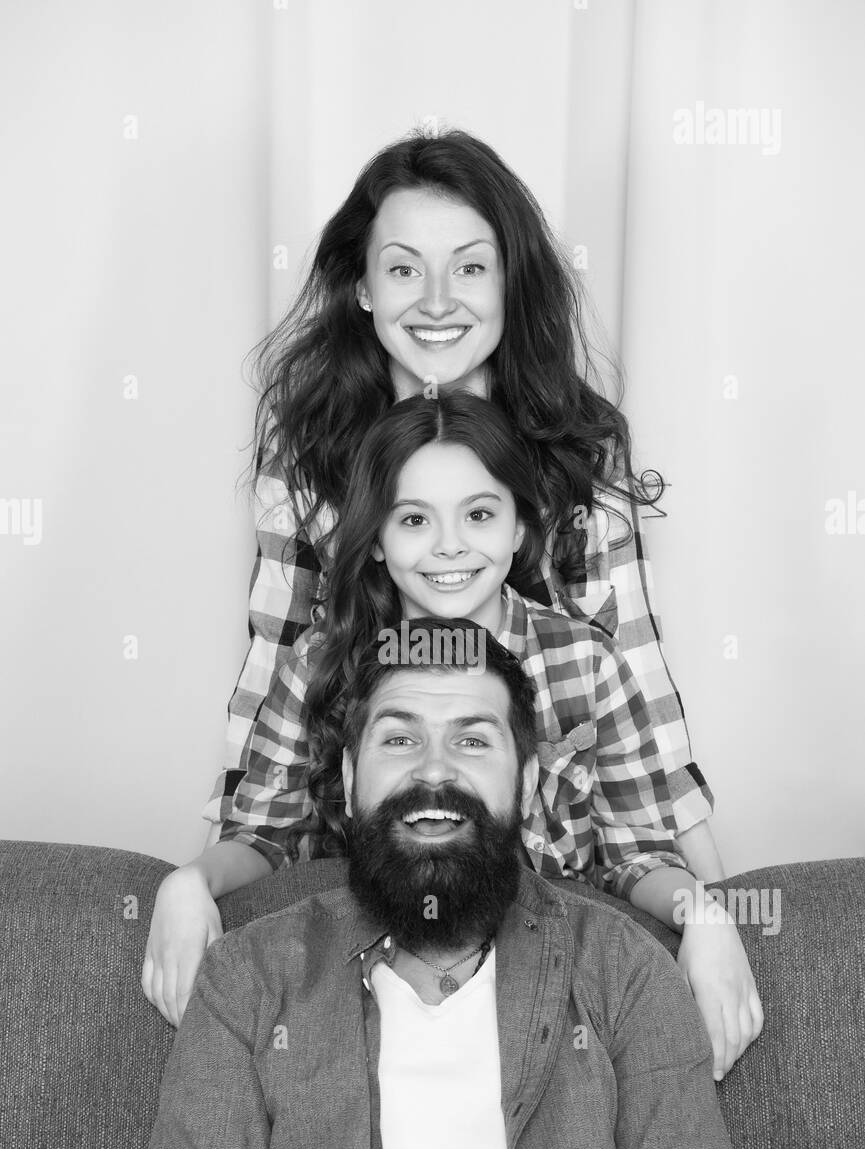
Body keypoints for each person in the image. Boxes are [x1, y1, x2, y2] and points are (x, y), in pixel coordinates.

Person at [143, 127, 723, 1016]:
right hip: (374, 866)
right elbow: (276, 669)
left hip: (548, 857)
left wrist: (710, 908)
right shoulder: (308, 464)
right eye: (406, 268)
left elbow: (632, 673)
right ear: (364, 289)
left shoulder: (576, 457)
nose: (438, 300)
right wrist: (202, 877)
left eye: (471, 267)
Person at [117, 619, 754, 1149]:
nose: (433, 769)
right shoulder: (249, 975)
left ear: (527, 778)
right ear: (351, 774)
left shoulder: (621, 969)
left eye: (472, 740)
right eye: (399, 739)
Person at [151, 393, 762, 1080]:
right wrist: (188, 882)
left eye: (478, 514)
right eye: (414, 519)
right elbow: (263, 838)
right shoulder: (319, 666)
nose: (449, 545)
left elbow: (634, 856)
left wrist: (703, 913)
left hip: (546, 1002)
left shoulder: (587, 663)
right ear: (376, 537)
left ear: (518, 529)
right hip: (375, 991)